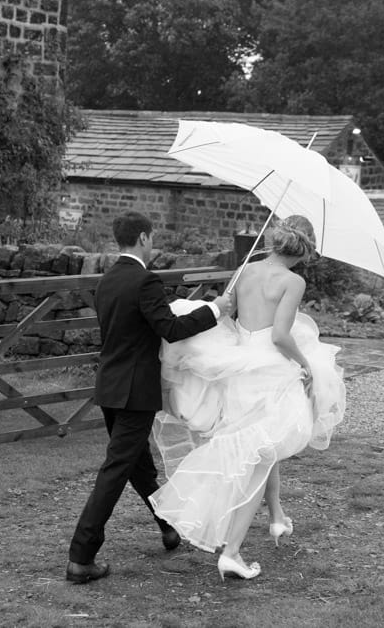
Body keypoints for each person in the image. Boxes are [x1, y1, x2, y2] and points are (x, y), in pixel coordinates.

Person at [149, 215, 346, 580]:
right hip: (269, 370)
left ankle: (276, 517)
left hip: (239, 368)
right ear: (305, 250)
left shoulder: (246, 268)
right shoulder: (294, 281)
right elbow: (281, 337)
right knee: (256, 455)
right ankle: (233, 552)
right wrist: (305, 367)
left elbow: (226, 312)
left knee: (259, 447)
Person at [66, 211, 235, 584]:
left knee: (139, 467)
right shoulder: (145, 281)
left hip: (109, 387)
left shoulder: (107, 279)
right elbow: (170, 329)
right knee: (115, 470)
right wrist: (214, 310)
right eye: (153, 237)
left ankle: (169, 525)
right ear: (143, 237)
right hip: (133, 392)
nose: (153, 242)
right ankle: (81, 556)